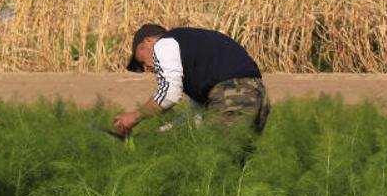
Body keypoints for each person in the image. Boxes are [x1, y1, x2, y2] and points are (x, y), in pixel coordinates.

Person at [114, 24, 270, 136]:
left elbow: (169, 94)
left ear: (148, 41)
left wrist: (135, 115)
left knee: (218, 162)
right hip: (257, 95)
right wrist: (159, 133)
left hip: (234, 94)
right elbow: (196, 117)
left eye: (141, 61)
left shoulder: (163, 44)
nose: (146, 68)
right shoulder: (195, 60)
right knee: (238, 165)